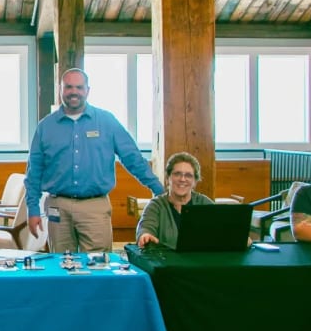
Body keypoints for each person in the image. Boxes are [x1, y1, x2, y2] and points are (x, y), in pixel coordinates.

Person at [25, 68, 165, 253]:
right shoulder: (46, 126)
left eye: (79, 87)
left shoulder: (106, 121)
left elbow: (132, 158)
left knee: (98, 266)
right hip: (58, 207)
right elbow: (34, 171)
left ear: (87, 91)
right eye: (68, 87)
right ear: (60, 89)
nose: (73, 92)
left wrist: (158, 189)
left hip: (95, 206)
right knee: (61, 265)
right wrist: (33, 209)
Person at [136, 152, 213, 249]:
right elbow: (145, 227)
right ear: (168, 178)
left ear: (195, 181)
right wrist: (145, 235)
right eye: (177, 174)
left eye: (188, 175)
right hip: (166, 261)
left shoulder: (204, 203)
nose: (182, 179)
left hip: (201, 261)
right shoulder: (156, 205)